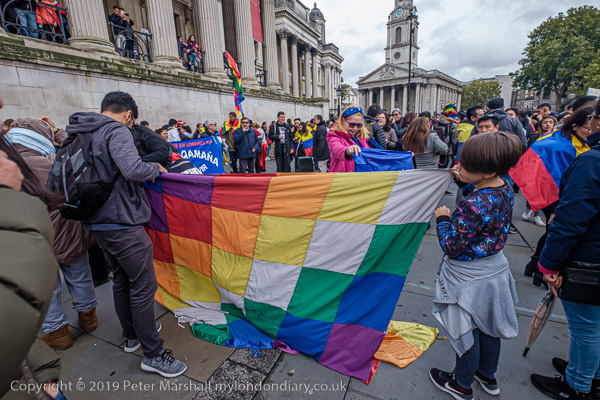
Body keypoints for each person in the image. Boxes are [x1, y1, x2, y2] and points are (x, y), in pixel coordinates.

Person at [65, 91, 186, 378]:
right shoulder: (116, 130)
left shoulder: (80, 131)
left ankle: (132, 336)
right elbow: (132, 169)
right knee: (143, 285)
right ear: (129, 114)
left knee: (120, 279)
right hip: (122, 221)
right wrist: (154, 167)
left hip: (95, 219)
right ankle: (153, 354)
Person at [429, 131, 522, 400]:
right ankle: (487, 375)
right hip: (495, 270)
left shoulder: (472, 205)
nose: (459, 167)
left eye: (465, 166)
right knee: (489, 327)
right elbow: (482, 193)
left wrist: (443, 219)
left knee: (466, 331)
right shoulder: (504, 187)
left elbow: (452, 246)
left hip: (468, 278)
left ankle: (461, 384)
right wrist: (463, 179)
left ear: (487, 171)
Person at [6, 117, 98, 351]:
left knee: (46, 286)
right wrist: (57, 131)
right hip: (68, 228)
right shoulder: (55, 160)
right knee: (79, 274)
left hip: (33, 234)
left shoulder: (8, 166)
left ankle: (58, 333)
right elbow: (77, 150)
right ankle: (89, 318)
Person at [530, 122, 600, 400]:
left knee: (585, 327)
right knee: (593, 325)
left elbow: (570, 219)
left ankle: (577, 386)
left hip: (588, 259)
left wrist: (548, 264)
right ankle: (591, 374)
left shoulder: (592, 161)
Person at [522, 105, 596, 285]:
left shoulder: (586, 146)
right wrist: (555, 207)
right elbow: (552, 176)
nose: (591, 131)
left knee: (551, 232)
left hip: (565, 197)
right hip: (554, 197)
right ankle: (539, 270)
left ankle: (534, 265)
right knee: (553, 231)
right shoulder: (560, 146)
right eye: (587, 128)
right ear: (575, 127)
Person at [326, 105, 383, 172]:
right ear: (343, 120)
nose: (355, 128)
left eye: (359, 125)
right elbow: (335, 149)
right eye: (352, 124)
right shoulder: (334, 134)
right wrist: (347, 150)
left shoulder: (364, 137)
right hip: (344, 176)